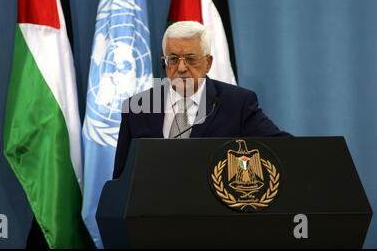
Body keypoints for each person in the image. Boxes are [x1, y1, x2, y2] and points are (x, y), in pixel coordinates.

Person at [112, 21, 290, 179]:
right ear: (164, 62)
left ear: (209, 63)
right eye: (173, 59)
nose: (181, 68)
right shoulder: (138, 107)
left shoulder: (237, 104)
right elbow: (121, 177)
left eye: (190, 59)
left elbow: (284, 149)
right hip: (149, 211)